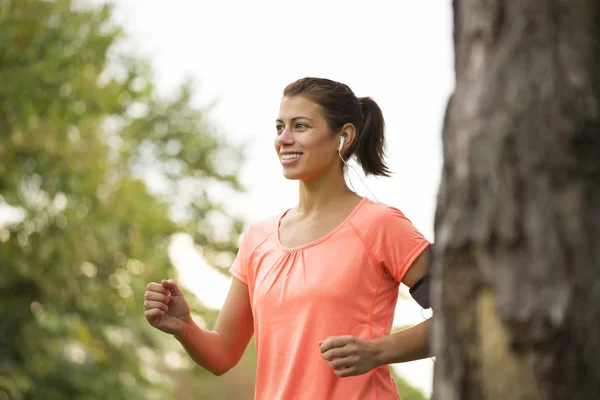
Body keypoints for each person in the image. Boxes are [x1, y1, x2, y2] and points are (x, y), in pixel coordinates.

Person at [144, 77, 433, 399]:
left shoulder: (380, 225)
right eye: (280, 127)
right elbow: (223, 354)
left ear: (344, 136)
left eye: (301, 126)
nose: (284, 139)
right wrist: (185, 328)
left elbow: (461, 314)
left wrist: (379, 351)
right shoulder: (258, 238)